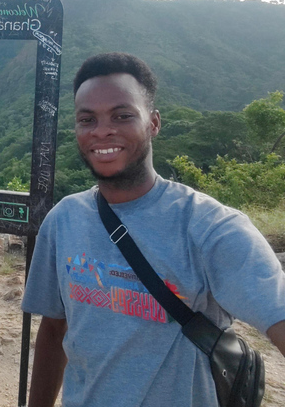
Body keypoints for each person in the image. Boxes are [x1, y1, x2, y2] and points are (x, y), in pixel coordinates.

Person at [22, 52, 285, 407]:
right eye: (88, 119)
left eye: (122, 115)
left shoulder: (209, 227)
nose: (102, 131)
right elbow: (54, 331)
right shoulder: (64, 219)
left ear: (154, 123)